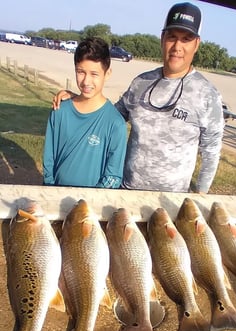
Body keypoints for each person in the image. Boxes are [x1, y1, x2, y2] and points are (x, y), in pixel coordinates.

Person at [53, 2, 224, 193]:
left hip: (171, 200)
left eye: (186, 39)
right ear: (162, 38)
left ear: (196, 44)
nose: (177, 46)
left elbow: (211, 150)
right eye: (172, 37)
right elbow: (110, 116)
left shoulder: (207, 94)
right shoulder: (140, 83)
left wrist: (201, 194)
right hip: (126, 191)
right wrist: (81, 97)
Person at [43, 37, 127, 188]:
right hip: (57, 195)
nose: (86, 81)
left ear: (107, 74)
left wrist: (91, 200)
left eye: (94, 74)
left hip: (91, 204)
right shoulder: (60, 111)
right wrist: (50, 188)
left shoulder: (115, 123)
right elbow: (49, 159)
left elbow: (113, 175)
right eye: (81, 72)